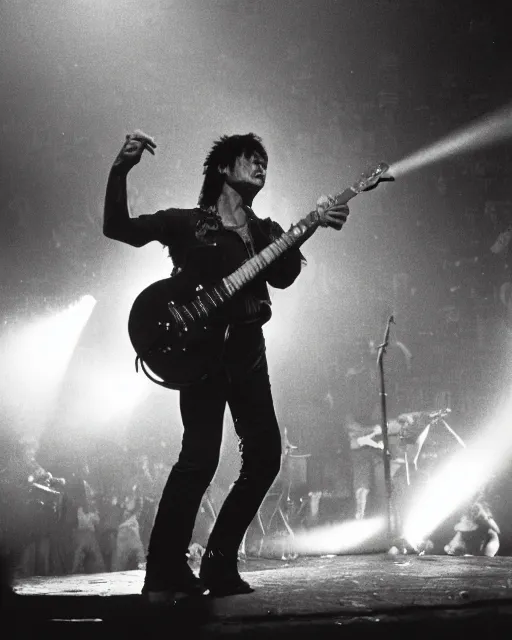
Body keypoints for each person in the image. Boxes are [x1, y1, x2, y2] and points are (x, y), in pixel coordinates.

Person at [103, 130, 349, 602]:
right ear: (222, 168)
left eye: (265, 161)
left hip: (249, 354)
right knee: (198, 460)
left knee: (264, 457)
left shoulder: (265, 232)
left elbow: (284, 276)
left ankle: (218, 563)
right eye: (250, 158)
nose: (261, 166)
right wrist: (121, 170)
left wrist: (315, 223)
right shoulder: (187, 223)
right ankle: (165, 571)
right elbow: (118, 227)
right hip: (201, 357)